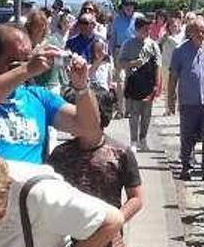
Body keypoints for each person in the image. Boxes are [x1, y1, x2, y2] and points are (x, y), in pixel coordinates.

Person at [0, 24, 101, 165]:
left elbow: (88, 128)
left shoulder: (38, 97)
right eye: (14, 63)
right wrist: (27, 69)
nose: (21, 67)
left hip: (28, 184)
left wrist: (82, 87)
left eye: (27, 59)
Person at [48, 87, 144, 221]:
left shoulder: (121, 154)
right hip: (67, 232)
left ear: (100, 115)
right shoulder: (60, 154)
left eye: (79, 115)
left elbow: (136, 197)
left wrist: (116, 221)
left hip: (106, 233)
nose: (72, 120)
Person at [168, 17, 204, 182]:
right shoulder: (180, 51)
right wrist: (171, 99)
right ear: (190, 32)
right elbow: (173, 76)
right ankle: (186, 167)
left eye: (203, 31)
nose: (201, 34)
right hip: (188, 101)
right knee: (187, 135)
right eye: (198, 31)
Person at [120, 16, 163, 151]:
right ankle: (133, 140)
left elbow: (158, 65)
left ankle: (143, 138)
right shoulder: (128, 44)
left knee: (146, 114)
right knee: (134, 113)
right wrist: (134, 63)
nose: (147, 32)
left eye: (148, 29)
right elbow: (120, 63)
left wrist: (157, 84)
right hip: (133, 82)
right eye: (144, 29)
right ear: (137, 29)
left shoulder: (153, 45)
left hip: (148, 83)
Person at [110, 0, 140, 117]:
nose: (129, 7)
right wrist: (112, 55)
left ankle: (130, 109)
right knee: (120, 81)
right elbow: (112, 39)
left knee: (131, 81)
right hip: (119, 51)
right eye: (126, 5)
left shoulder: (139, 18)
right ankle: (120, 109)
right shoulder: (117, 20)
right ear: (122, 6)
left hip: (134, 51)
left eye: (131, 4)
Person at [26, 8, 63, 95]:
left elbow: (60, 62)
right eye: (36, 25)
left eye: (43, 25)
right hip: (31, 85)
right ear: (30, 26)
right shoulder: (25, 42)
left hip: (51, 85)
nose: (40, 28)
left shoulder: (53, 41)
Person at [160, 14, 185, 95]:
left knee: (178, 91)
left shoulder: (182, 37)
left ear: (179, 26)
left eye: (175, 26)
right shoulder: (164, 36)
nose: (172, 28)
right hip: (166, 67)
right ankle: (168, 108)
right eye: (170, 26)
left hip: (178, 67)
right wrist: (163, 39)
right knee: (168, 91)